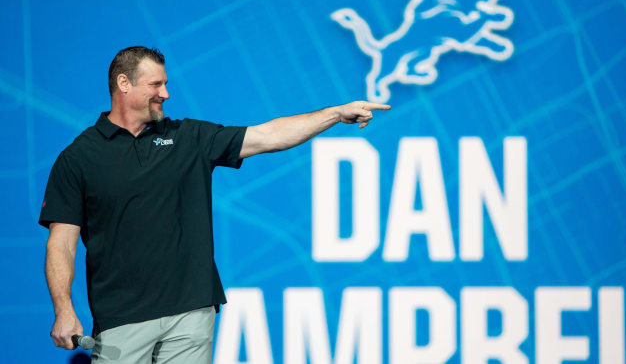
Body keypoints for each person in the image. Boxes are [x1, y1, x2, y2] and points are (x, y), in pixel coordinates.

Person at [40, 46, 390, 363]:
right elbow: (62, 242)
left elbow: (268, 136)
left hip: (191, 311)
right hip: (121, 319)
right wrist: (64, 309)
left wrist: (333, 113)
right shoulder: (79, 158)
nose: (166, 93)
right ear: (123, 83)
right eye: (155, 85)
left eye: (166, 83)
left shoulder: (188, 137)